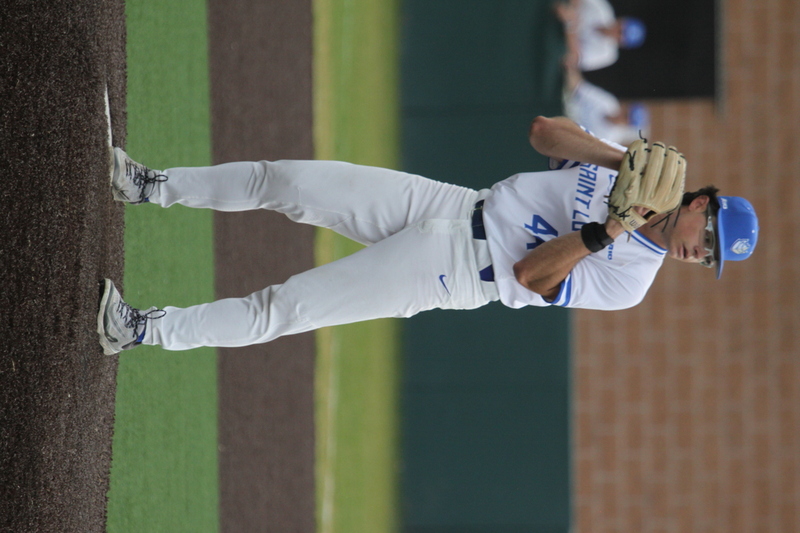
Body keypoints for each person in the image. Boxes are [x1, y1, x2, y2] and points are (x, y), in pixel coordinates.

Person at [97, 116, 759, 355]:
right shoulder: (634, 173)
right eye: (710, 236)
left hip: (456, 270)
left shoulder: (630, 279)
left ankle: (141, 330)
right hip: (449, 201)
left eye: (709, 258)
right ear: (701, 202)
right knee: (286, 180)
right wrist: (620, 160)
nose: (699, 253)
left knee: (286, 307)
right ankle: (150, 185)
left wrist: (611, 229)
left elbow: (530, 275)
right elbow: (543, 133)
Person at [555, 0, 646, 72]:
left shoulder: (608, 54)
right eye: (621, 30)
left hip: (557, 45)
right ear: (621, 20)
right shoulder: (603, 9)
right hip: (556, 15)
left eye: (621, 37)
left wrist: (571, 25)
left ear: (621, 44)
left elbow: (574, 60)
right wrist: (572, 10)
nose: (617, 33)